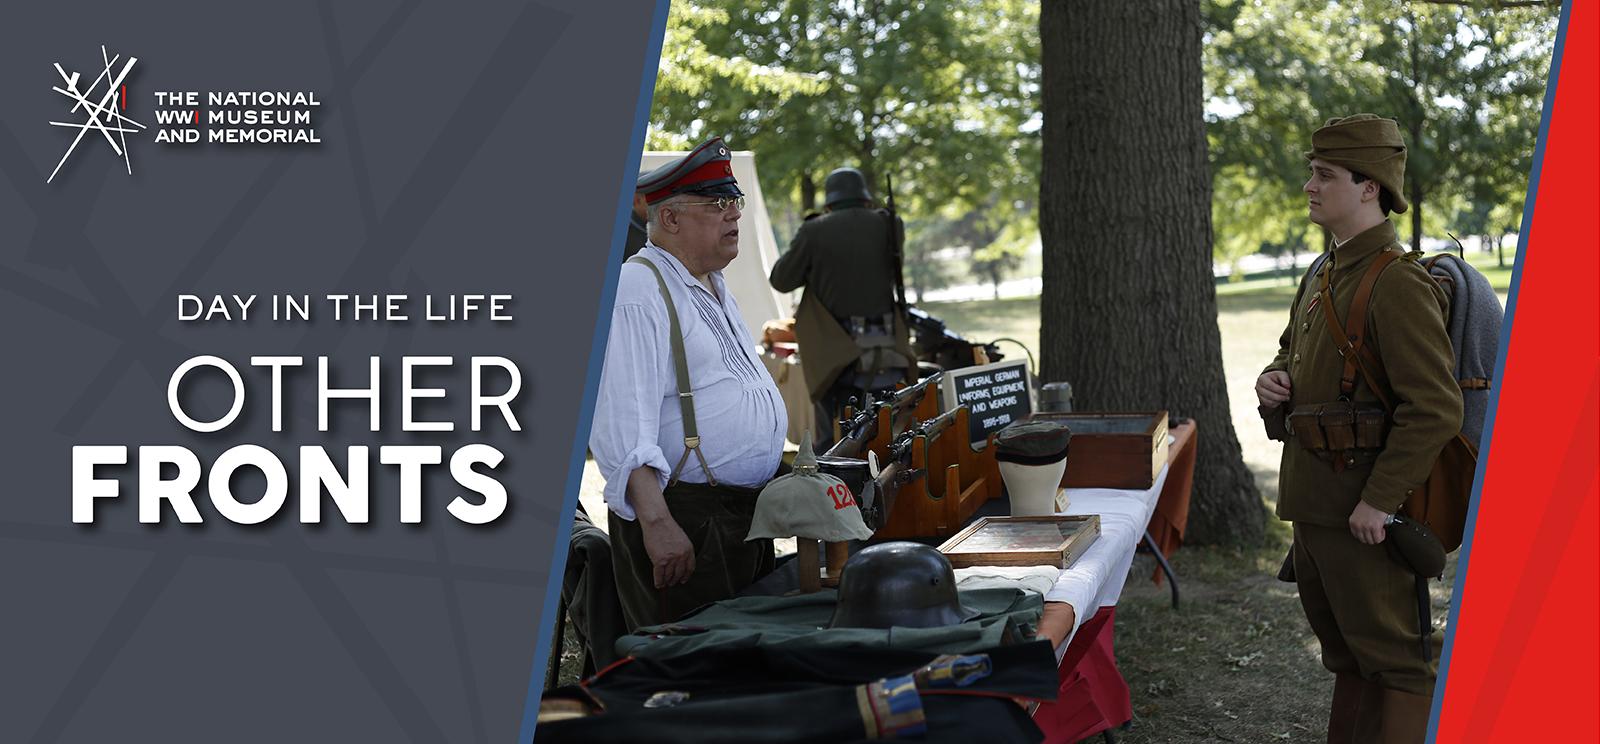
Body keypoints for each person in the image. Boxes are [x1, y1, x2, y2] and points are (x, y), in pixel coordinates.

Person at [1255, 114, 1462, 744]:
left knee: (1399, 662)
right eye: (1311, 173)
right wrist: (1273, 378)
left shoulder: (1396, 281)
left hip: (1362, 512)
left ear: (1369, 186)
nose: (1310, 187)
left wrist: (1380, 500)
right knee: (1346, 654)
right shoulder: (1323, 272)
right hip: (1316, 504)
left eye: (1324, 176)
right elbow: (1291, 353)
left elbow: (1434, 407)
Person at [590, 136, 787, 631]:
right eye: (718, 204)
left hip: (734, 518)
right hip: (687, 522)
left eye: (735, 202)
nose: (734, 215)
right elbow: (619, 422)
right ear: (670, 219)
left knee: (743, 670)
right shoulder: (638, 289)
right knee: (699, 673)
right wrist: (658, 526)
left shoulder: (710, 284)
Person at [768, 167, 914, 446]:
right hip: (883, 344)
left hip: (834, 349)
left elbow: (781, 280)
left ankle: (836, 486)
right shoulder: (891, 224)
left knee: (833, 435)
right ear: (865, 198)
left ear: (830, 201)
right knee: (883, 427)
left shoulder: (815, 230)